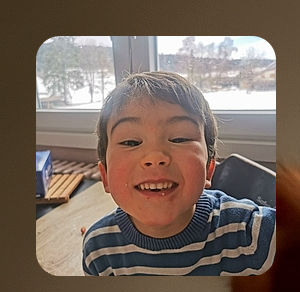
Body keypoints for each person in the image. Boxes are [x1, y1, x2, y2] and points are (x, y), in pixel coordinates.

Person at [82, 71, 275, 276]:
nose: (155, 157)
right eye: (131, 142)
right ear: (105, 176)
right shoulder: (98, 251)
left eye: (179, 138)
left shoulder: (253, 235)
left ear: (209, 168)